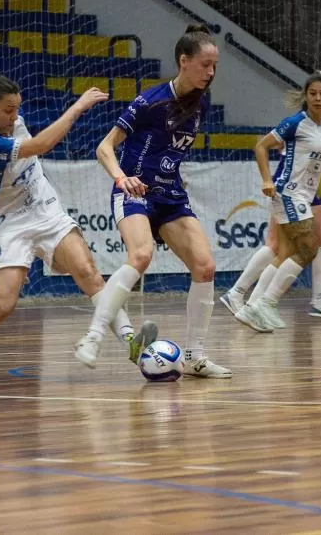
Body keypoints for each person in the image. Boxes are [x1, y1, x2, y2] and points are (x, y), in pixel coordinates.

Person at [0, 70, 156, 378]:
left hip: (47, 213)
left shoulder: (4, 121)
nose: (16, 115)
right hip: (10, 225)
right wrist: (77, 107)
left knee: (89, 273)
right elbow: (40, 146)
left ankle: (132, 342)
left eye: (17, 108)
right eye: (8, 109)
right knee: (2, 306)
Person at [76, 24, 231, 378]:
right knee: (141, 255)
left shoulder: (200, 104)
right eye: (205, 65)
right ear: (184, 61)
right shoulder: (150, 101)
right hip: (133, 191)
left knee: (205, 267)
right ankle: (93, 336)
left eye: (214, 67)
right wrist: (121, 177)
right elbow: (104, 147)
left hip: (170, 195)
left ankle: (194, 356)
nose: (210, 73)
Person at [234, 72, 321, 331]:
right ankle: (265, 303)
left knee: (287, 252)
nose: (318, 98)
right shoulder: (295, 123)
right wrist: (266, 180)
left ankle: (251, 307)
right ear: (306, 96)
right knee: (309, 249)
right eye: (312, 94)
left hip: (304, 196)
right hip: (288, 193)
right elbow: (261, 146)